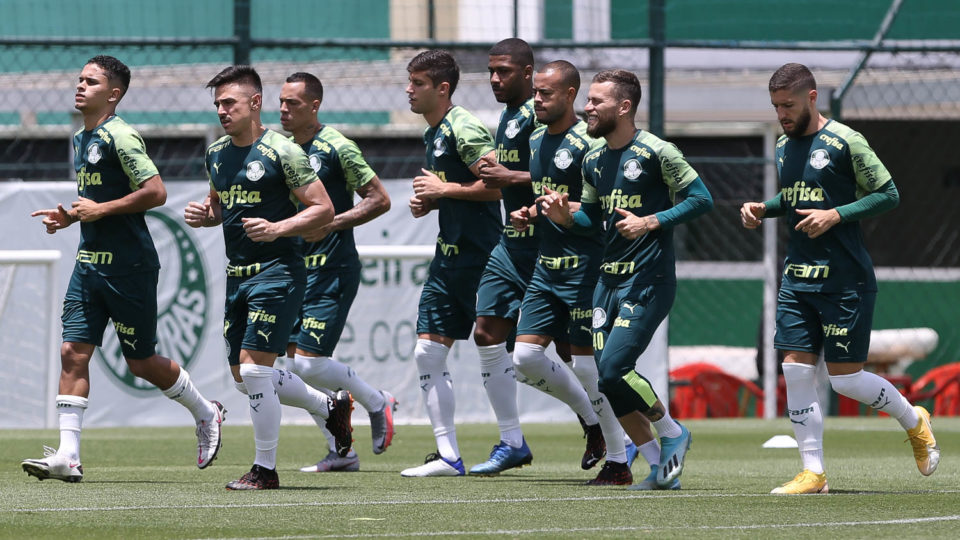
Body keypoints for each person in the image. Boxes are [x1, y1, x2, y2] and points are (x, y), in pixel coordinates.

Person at [22, 55, 226, 483]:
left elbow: (156, 192)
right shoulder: (81, 137)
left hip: (129, 267)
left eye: (91, 82)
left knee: (142, 363)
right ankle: (68, 456)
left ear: (113, 94)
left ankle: (207, 412)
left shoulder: (121, 136)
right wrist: (73, 217)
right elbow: (98, 206)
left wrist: (100, 210)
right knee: (72, 352)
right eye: (78, 78)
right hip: (88, 265)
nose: (79, 86)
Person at [740, 62, 939, 494]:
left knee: (845, 378)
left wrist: (836, 214)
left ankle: (913, 418)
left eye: (788, 105)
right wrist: (764, 208)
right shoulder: (782, 145)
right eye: (776, 107)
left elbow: (888, 194)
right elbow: (794, 197)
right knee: (793, 370)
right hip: (798, 278)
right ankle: (814, 473)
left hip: (844, 279)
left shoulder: (846, 141)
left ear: (812, 97)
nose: (782, 115)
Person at [538, 69, 713, 490]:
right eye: (588, 100)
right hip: (606, 282)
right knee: (606, 382)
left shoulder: (657, 151)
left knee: (616, 368)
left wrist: (651, 221)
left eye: (596, 101)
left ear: (624, 106)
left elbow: (701, 198)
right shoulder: (593, 159)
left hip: (647, 279)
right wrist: (566, 217)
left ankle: (673, 432)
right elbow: (591, 219)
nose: (587, 107)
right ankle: (657, 467)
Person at [183, 65, 352, 490]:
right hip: (236, 275)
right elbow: (221, 207)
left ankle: (265, 469)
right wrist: (206, 216)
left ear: (255, 103)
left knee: (256, 373)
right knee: (243, 379)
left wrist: (279, 229)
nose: (221, 111)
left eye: (229, 103)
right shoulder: (217, 153)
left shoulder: (283, 150)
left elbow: (323, 209)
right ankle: (327, 406)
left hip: (279, 272)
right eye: (217, 104)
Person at [509, 60, 635, 485]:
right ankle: (592, 419)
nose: (537, 100)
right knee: (524, 357)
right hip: (547, 266)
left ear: (570, 95)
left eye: (545, 94)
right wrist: (532, 211)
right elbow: (551, 199)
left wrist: (566, 213)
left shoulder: (589, 142)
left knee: (587, 367)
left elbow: (596, 207)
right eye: (535, 94)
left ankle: (618, 460)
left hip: (585, 268)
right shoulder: (537, 139)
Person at [278, 71, 396, 473]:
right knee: (295, 370)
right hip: (293, 271)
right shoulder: (277, 148)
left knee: (309, 364)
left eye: (292, 103)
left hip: (332, 269)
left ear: (314, 106)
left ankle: (377, 401)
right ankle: (342, 452)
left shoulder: (336, 146)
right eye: (281, 102)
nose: (283, 110)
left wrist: (332, 223)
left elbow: (379, 199)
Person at [399, 50, 503, 477]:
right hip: (449, 258)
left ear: (442, 89)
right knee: (427, 352)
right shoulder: (434, 132)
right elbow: (452, 189)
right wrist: (431, 200)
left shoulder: (463, 126)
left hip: (484, 259)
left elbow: (496, 187)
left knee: (532, 356)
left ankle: (600, 427)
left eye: (418, 83)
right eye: (409, 81)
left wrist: (444, 191)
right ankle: (448, 456)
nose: (408, 89)